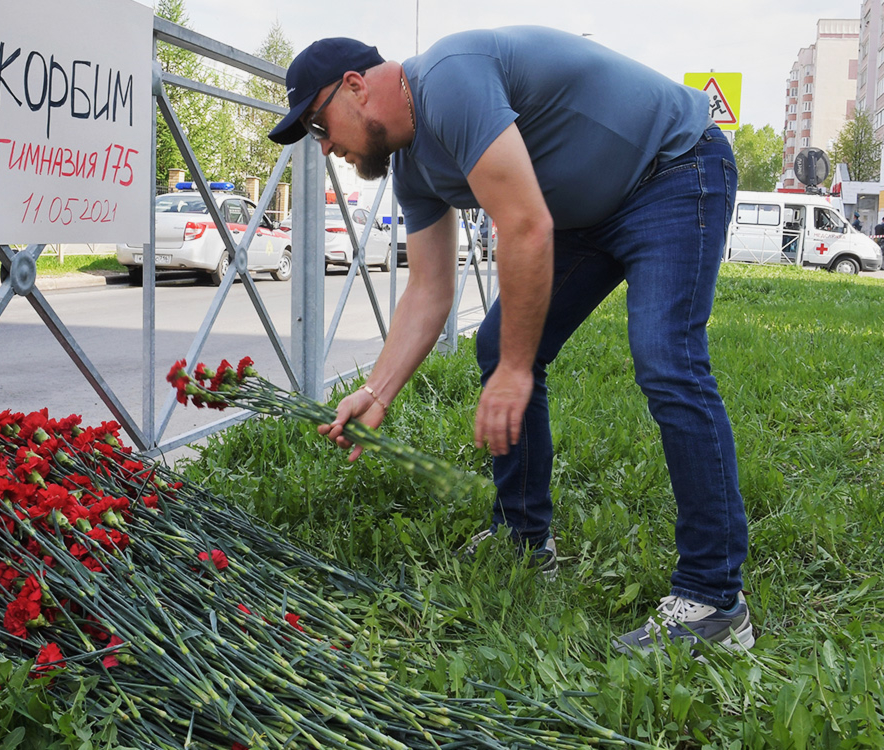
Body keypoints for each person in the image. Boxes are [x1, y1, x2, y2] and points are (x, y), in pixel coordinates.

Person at [268, 28, 753, 656]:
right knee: (498, 345)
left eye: (318, 123)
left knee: (666, 357)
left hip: (675, 167)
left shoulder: (447, 81)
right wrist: (376, 391)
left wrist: (518, 371)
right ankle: (524, 537)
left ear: (356, 87)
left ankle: (715, 599)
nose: (326, 145)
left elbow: (524, 225)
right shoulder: (414, 167)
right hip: (591, 214)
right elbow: (429, 292)